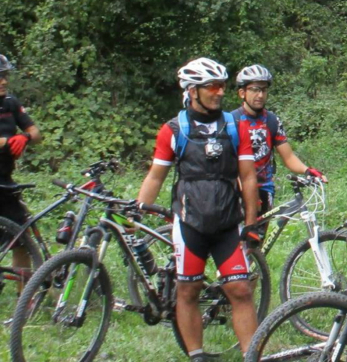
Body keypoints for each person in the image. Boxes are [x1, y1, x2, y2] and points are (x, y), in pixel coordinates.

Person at [137, 57, 259, 360]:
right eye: (212, 86)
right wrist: (138, 211)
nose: (220, 92)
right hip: (190, 222)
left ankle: (252, 355)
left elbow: (248, 176)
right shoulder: (174, 129)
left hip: (228, 223)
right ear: (193, 91)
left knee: (241, 291)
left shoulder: (234, 127)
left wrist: (252, 223)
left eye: (223, 86)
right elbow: (156, 175)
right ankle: (196, 354)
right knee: (188, 291)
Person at [231, 64, 325, 215]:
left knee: (258, 238)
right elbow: (227, 163)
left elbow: (288, 157)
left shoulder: (272, 121)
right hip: (237, 190)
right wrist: (244, 191)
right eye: (255, 89)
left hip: (265, 189)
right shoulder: (231, 121)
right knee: (237, 237)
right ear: (242, 92)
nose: (260, 95)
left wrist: (307, 170)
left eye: (264, 90)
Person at [0, 54, 41, 281]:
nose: (4, 81)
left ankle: (23, 303)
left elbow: (37, 134)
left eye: (5, 76)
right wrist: (8, 142)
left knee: (21, 240)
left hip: (5, 181)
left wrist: (24, 137)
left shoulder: (10, 103)